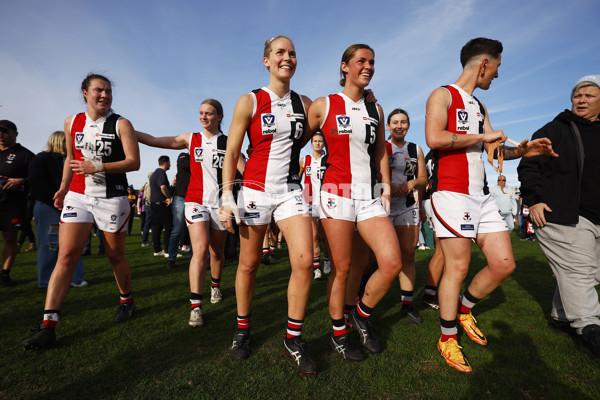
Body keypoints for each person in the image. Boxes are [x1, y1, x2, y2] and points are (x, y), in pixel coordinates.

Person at [425, 38, 556, 372]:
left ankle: (465, 310)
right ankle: (447, 338)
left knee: (504, 263)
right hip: (451, 193)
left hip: (480, 196)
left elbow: (494, 153)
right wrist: (483, 137)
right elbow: (435, 138)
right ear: (484, 63)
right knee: (457, 267)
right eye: (496, 67)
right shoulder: (442, 95)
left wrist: (525, 151)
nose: (496, 76)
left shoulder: (479, 107)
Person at [218, 36, 317, 375]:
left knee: (304, 260)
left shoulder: (305, 103)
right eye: (280, 53)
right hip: (255, 192)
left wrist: (367, 98)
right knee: (248, 264)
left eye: (292, 53)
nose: (287, 58)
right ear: (266, 61)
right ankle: (242, 330)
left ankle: (293, 336)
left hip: (290, 191)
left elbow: (335, 113)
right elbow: (232, 153)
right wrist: (227, 197)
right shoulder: (250, 100)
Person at [22, 73, 140, 349]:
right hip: (78, 195)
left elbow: (133, 162)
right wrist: (63, 187)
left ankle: (127, 299)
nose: (105, 95)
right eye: (99, 90)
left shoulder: (121, 123)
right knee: (66, 255)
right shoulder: (71, 122)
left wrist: (98, 167)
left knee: (115, 254)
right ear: (85, 92)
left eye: (109, 91)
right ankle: (48, 325)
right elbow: (71, 159)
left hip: (112, 197)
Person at [307, 43, 402, 362]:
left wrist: (386, 187)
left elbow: (379, 152)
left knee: (391, 262)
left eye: (372, 62)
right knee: (343, 268)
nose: (369, 66)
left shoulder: (376, 109)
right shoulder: (325, 104)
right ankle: (339, 332)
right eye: (361, 61)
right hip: (335, 194)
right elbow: (295, 140)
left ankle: (360, 314)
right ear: (344, 67)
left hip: (368, 196)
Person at [137, 99, 245, 325]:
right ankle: (196, 306)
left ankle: (215, 285)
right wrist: (130, 133)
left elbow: (246, 168)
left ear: (219, 117)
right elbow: (157, 141)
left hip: (220, 204)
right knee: (200, 249)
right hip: (194, 201)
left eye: (209, 113)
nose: (203, 117)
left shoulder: (228, 142)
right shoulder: (191, 139)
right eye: (201, 113)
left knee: (217, 253)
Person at [518, 74, 600, 359]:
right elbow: (528, 162)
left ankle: (560, 317)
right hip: (563, 213)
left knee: (588, 270)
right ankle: (589, 328)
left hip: (595, 215)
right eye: (578, 95)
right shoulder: (558, 128)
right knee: (580, 271)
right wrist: (534, 199)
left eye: (589, 95)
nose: (581, 99)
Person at [385, 109, 427, 324]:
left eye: (403, 122)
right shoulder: (381, 147)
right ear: (388, 126)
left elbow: (423, 178)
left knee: (408, 254)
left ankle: (406, 305)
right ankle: (360, 301)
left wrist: (412, 183)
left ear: (409, 125)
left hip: (407, 206)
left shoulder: (416, 148)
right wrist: (388, 187)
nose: (399, 126)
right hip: (382, 206)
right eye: (395, 122)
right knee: (375, 257)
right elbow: (373, 173)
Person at [29, 130, 86, 288]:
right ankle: (46, 281)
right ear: (57, 141)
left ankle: (76, 278)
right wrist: (57, 198)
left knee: (74, 244)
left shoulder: (73, 161)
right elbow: (36, 183)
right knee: (50, 244)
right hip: (48, 207)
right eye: (66, 142)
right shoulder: (42, 158)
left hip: (71, 207)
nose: (70, 145)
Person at [0, 120, 34, 288]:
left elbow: (38, 178)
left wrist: (22, 180)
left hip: (12, 204)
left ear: (15, 134)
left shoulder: (25, 155)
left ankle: (5, 274)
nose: (1, 135)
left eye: (5, 131)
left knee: (10, 238)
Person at [299, 132, 330, 279]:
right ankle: (317, 268)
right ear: (311, 144)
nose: (317, 143)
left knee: (325, 237)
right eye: (315, 141)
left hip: (325, 201)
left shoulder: (328, 159)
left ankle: (328, 260)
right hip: (309, 201)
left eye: (320, 141)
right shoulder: (304, 160)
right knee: (313, 235)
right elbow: (296, 178)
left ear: (323, 143)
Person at [166, 152, 191, 267]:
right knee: (177, 230)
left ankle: (194, 258)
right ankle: (172, 258)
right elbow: (187, 165)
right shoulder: (183, 156)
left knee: (194, 230)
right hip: (181, 197)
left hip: (194, 197)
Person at [149, 155, 172, 257]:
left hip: (154, 203)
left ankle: (157, 250)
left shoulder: (154, 173)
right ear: (166, 163)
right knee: (169, 226)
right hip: (161, 203)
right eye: (169, 163)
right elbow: (163, 187)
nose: (170, 165)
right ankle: (168, 251)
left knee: (157, 226)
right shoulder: (161, 173)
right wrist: (169, 197)